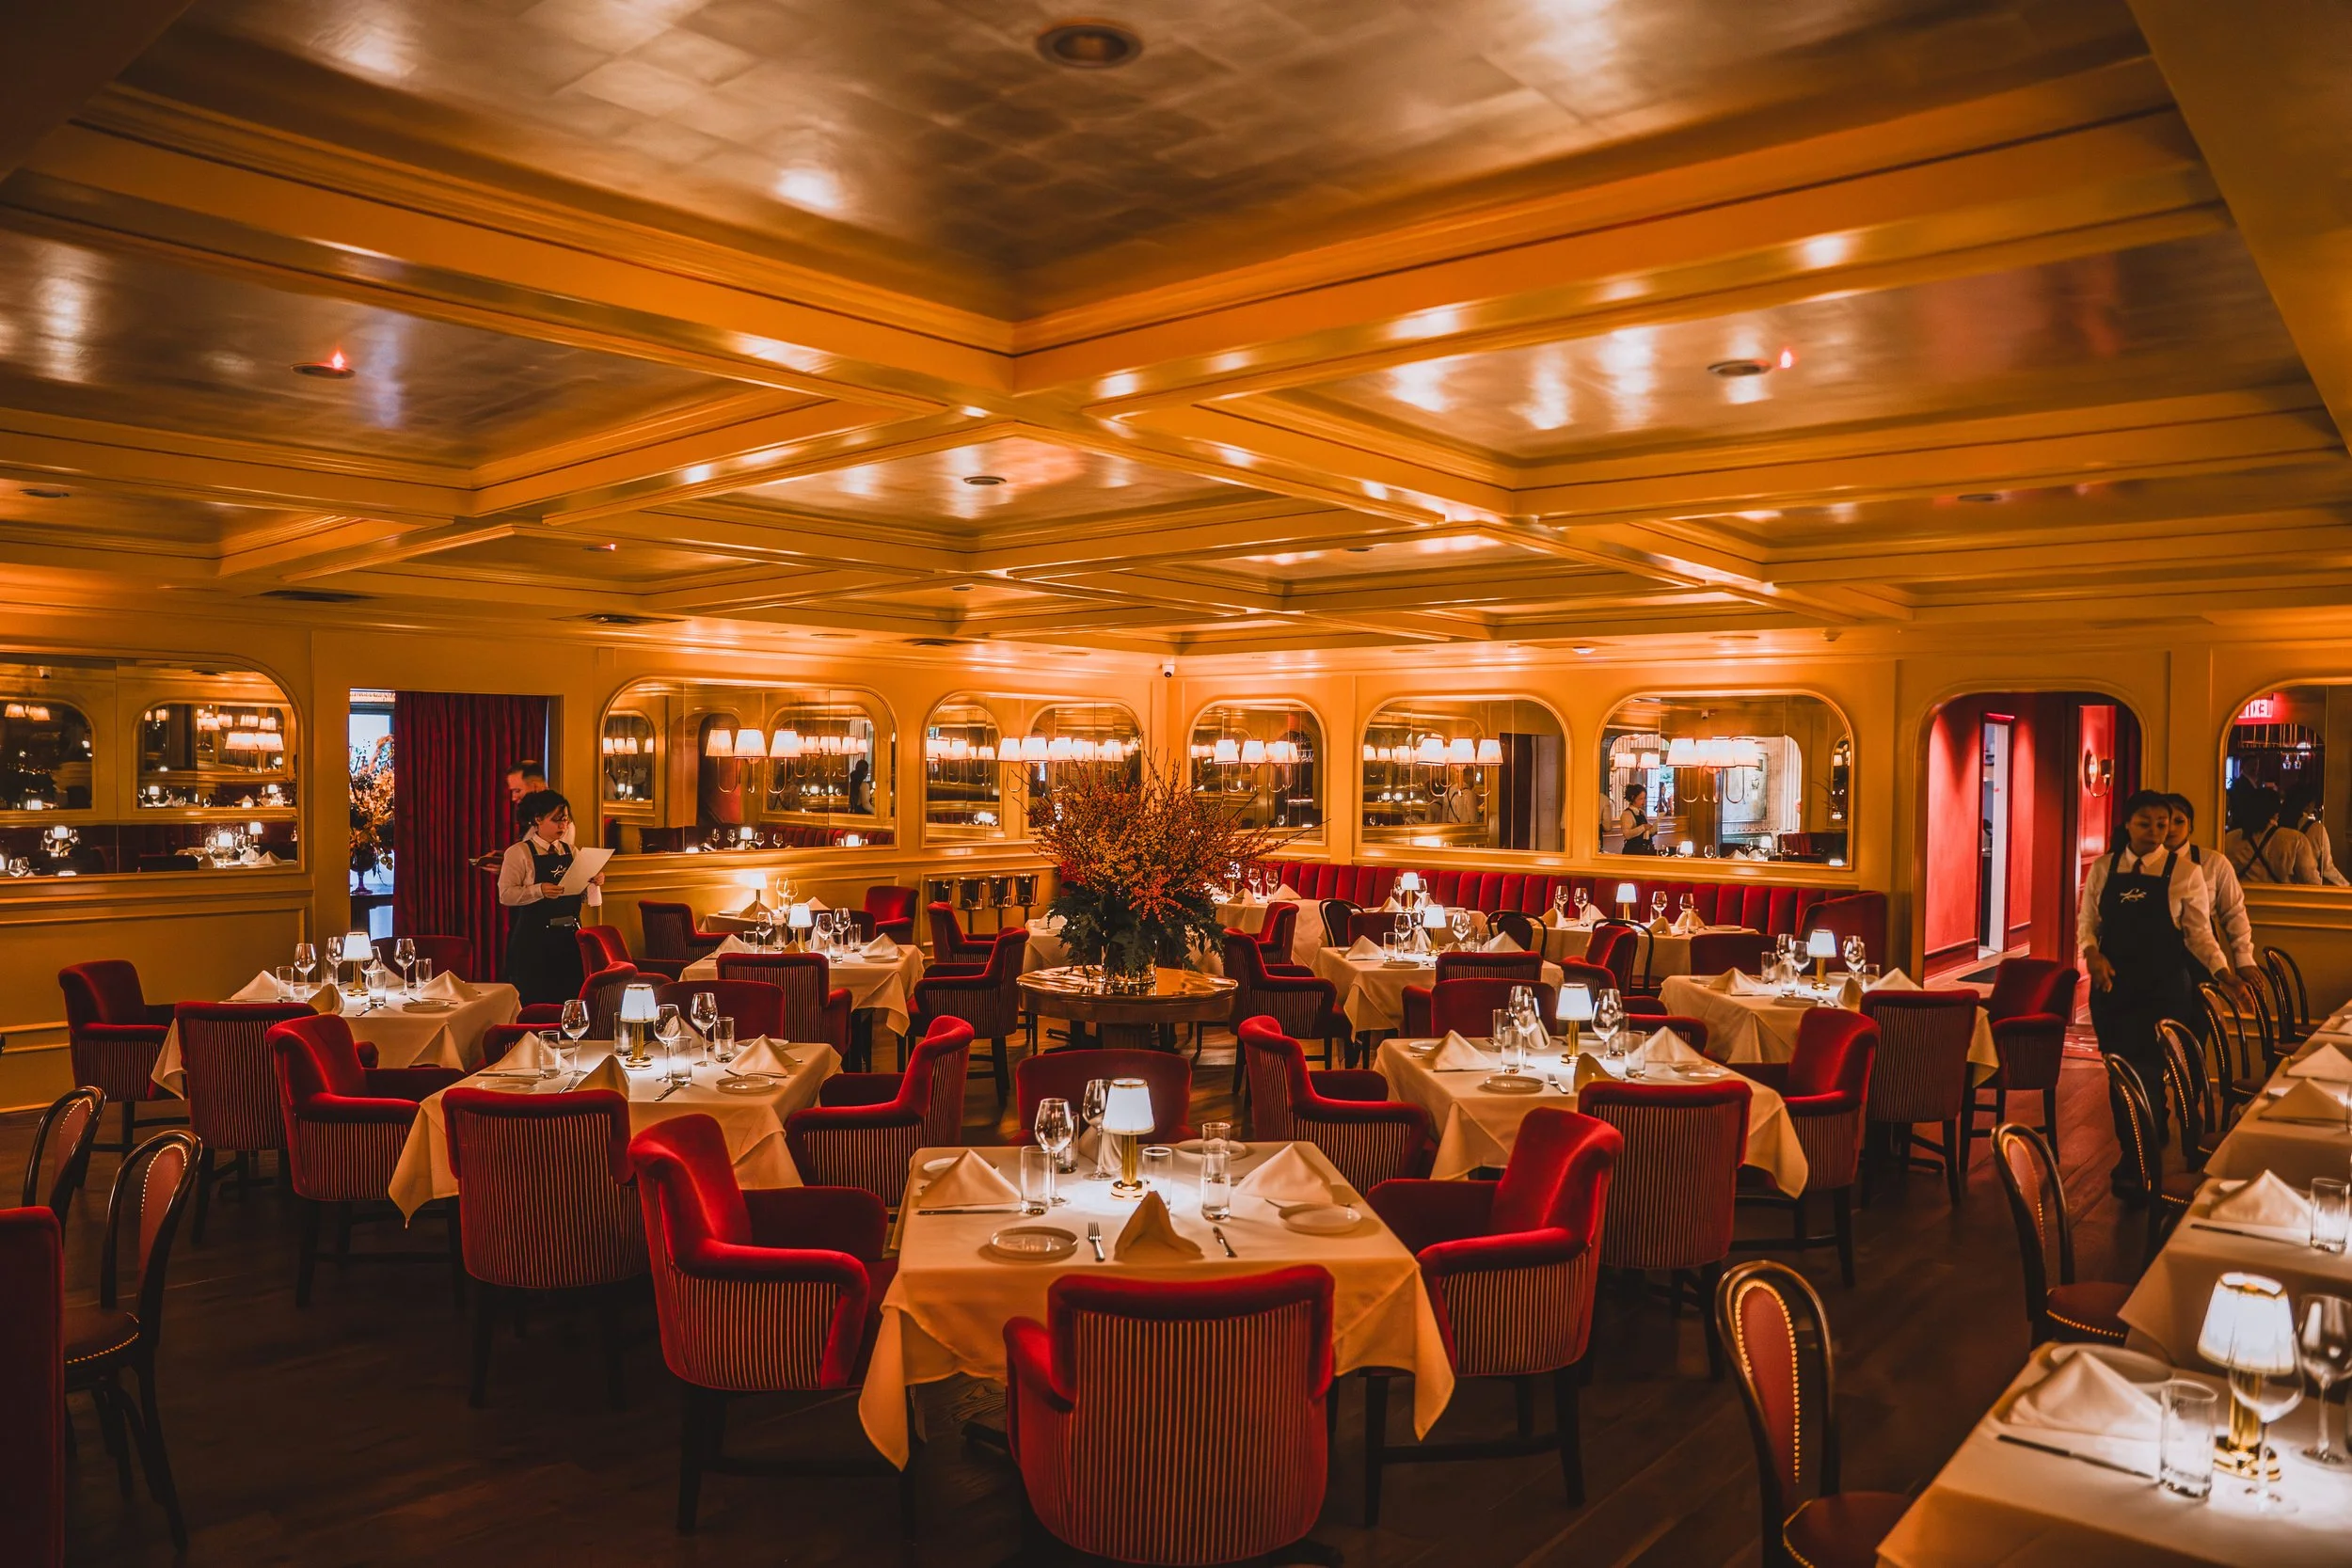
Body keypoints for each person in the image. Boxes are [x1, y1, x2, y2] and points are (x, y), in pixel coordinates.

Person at [2079, 789, 2242, 1198]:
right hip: (2113, 990)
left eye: (2162, 823)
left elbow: (2199, 935)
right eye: (2145, 823)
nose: (2155, 831)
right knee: (2119, 1073)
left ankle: (2143, 1161)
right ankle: (2131, 1151)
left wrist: (2225, 973)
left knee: (2151, 1074)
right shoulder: (2104, 868)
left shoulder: (2185, 872)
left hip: (2162, 989)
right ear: (2128, 825)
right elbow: (2088, 923)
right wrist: (2092, 954)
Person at [498, 790, 599, 1006]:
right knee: (536, 1000)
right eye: (556, 820)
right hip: (534, 940)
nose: (563, 826)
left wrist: (593, 881)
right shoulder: (519, 853)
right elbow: (505, 895)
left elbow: (579, 895)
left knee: (570, 1000)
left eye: (565, 820)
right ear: (538, 819)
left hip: (569, 939)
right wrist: (539, 890)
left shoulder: (571, 851)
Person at [2161, 793, 2266, 993]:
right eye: (2165, 822)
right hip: (2155, 959)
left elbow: (2233, 912)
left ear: (2190, 825)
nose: (2171, 828)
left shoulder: (2213, 862)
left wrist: (2243, 959)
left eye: (2179, 821)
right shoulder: (2142, 864)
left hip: (2200, 959)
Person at [2226, 784, 2322, 885]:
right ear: (2277, 813)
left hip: (2241, 894)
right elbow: (2312, 881)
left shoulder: (2230, 838)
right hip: (2281, 895)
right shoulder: (2296, 839)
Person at [2286, 784, 2349, 887]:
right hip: (2309, 887)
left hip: (2284, 888)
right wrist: (2345, 885)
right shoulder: (2317, 829)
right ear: (2308, 805)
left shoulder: (2281, 828)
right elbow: (2327, 868)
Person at [1616, 784, 1658, 855]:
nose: (1644, 801)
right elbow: (1627, 835)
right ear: (1633, 798)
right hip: (1633, 851)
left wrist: (1652, 831)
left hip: (1646, 850)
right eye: (1641, 799)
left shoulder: (1642, 812)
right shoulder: (1627, 814)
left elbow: (1644, 834)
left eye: (1644, 798)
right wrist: (1643, 827)